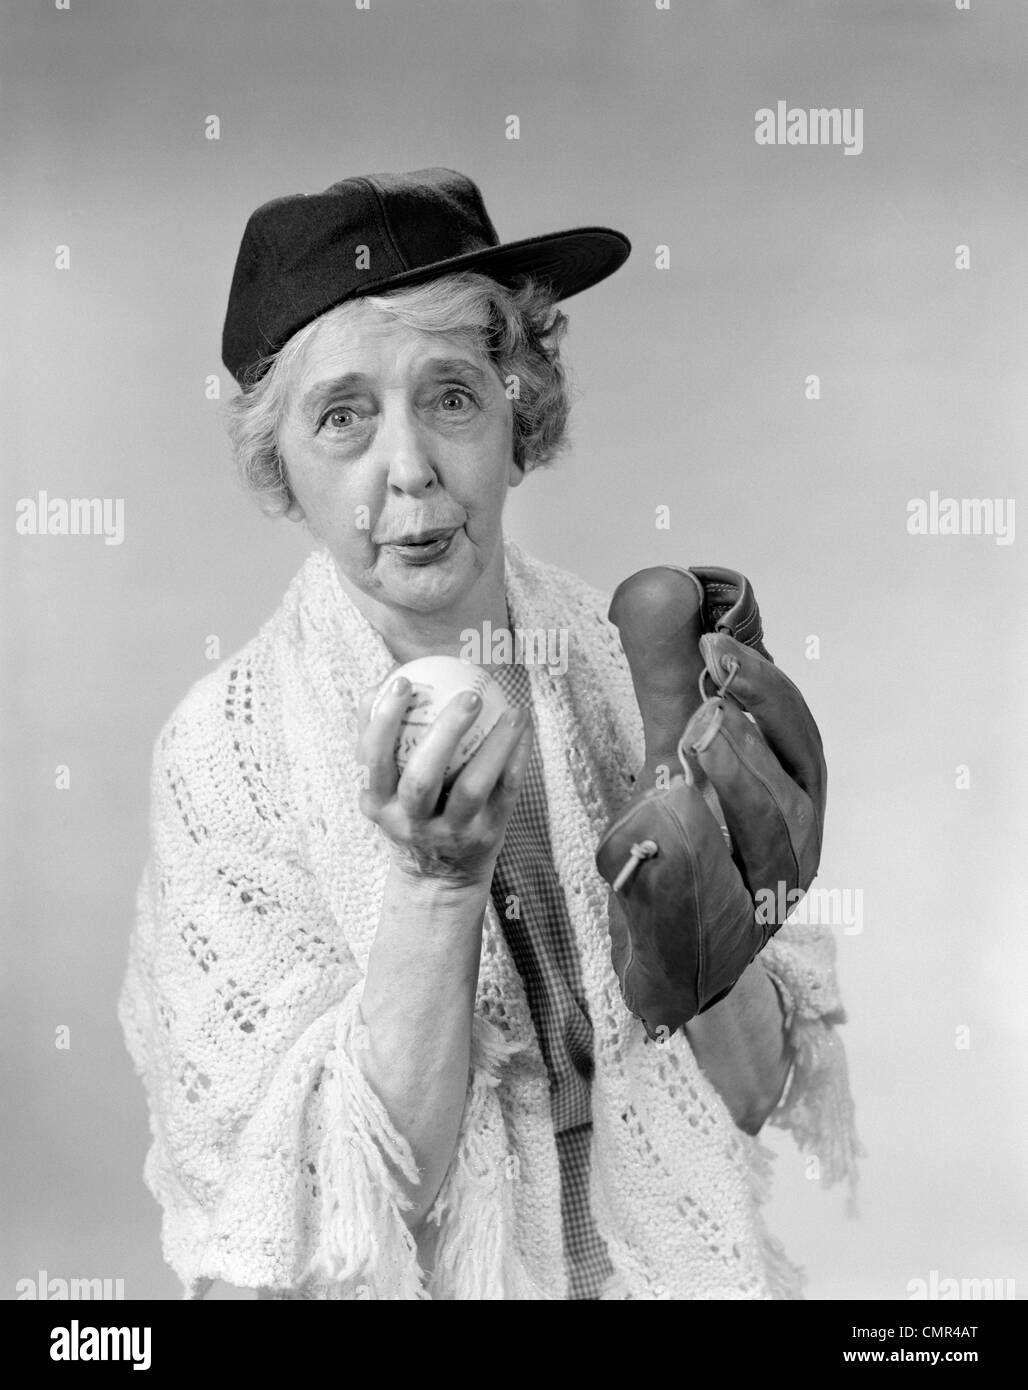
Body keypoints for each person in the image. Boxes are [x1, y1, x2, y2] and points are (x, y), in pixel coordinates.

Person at [118, 168, 860, 1301]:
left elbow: (741, 1102)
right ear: (283, 469)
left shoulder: (615, 670)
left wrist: (712, 936)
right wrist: (434, 885)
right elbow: (350, 1215)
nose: (407, 467)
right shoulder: (220, 757)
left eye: (452, 396)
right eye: (344, 415)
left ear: (521, 420)